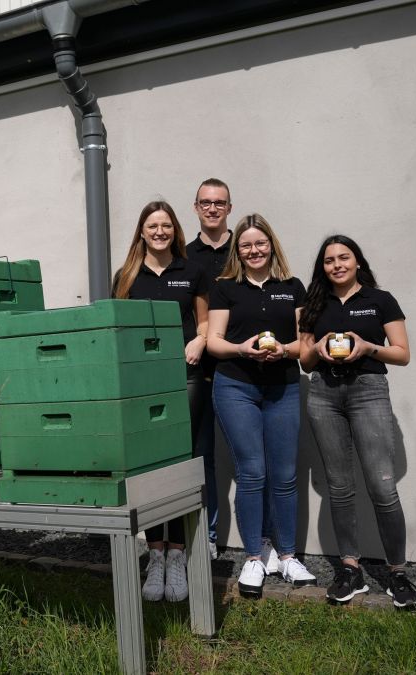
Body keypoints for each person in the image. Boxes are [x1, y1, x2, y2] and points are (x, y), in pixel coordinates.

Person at [298, 235, 416, 609]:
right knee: (340, 486)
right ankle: (350, 569)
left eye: (343, 257)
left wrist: (368, 348)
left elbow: (402, 354)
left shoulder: (380, 300)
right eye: (329, 260)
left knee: (382, 487)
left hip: (368, 390)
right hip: (324, 395)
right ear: (323, 267)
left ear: (357, 261)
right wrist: (316, 351)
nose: (337, 265)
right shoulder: (314, 305)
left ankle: (397, 572)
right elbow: (304, 360)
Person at [206, 214, 317, 598]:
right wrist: (242, 349)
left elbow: (306, 345)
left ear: (272, 244)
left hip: (282, 387)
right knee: (252, 472)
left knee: (285, 474)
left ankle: (286, 556)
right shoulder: (225, 288)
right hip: (236, 386)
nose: (254, 251)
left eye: (260, 243)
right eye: (246, 245)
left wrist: (283, 350)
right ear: (238, 251)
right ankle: (254, 557)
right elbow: (214, 341)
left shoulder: (293, 287)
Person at [112, 201, 208, 603]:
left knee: (183, 462)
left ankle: (179, 555)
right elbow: (115, 325)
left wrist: (200, 341)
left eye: (166, 225)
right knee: (151, 465)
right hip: (143, 382)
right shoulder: (126, 276)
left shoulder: (193, 271)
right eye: (152, 225)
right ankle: (155, 553)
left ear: (175, 230)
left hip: (186, 376)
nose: (159, 231)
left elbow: (204, 321)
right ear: (141, 232)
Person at [182, 178, 232, 561]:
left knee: (252, 461)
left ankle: (262, 542)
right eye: (206, 203)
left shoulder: (247, 248)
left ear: (229, 207)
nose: (212, 208)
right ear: (196, 207)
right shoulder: (184, 257)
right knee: (202, 457)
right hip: (199, 373)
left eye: (220, 202)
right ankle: (207, 535)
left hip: (240, 369)